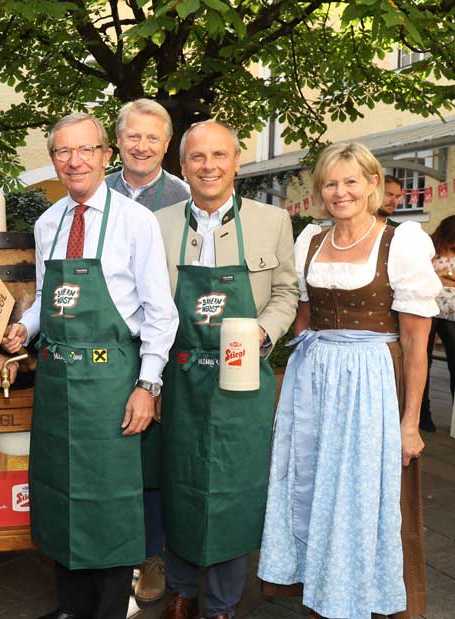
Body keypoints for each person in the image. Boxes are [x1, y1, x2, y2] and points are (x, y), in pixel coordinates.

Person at [1, 112, 179, 619]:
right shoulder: (47, 222)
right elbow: (45, 300)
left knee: (111, 501)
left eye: (85, 150)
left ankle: (109, 608)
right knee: (60, 495)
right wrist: (25, 328)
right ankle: (71, 607)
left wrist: (147, 384)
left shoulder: (135, 221)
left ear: (106, 155)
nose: (74, 161)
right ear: (53, 160)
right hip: (57, 381)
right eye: (62, 152)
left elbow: (160, 314)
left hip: (111, 380)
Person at [258, 142, 438, 619]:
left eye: (351, 181)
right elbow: (302, 322)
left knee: (362, 490)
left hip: (373, 380)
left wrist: (410, 422)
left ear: (373, 184)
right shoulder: (311, 240)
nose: (341, 192)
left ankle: (360, 595)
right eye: (331, 183)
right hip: (314, 378)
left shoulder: (402, 242)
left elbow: (417, 344)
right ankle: (322, 589)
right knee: (314, 483)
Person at [154, 120, 298, 619]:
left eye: (220, 155)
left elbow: (285, 293)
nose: (209, 166)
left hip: (243, 377)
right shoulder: (160, 224)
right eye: (197, 157)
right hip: (180, 376)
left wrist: (263, 332)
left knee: (234, 487)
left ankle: (220, 602)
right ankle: (181, 589)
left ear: (238, 161)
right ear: (183, 165)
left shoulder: (271, 221)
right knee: (179, 478)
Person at [104, 98, 190, 606]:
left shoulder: (182, 196)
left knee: (155, 457)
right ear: (118, 142)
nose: (142, 146)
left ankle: (154, 553)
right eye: (133, 136)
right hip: (110, 343)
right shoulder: (99, 187)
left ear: (166, 144)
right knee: (114, 450)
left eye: (152, 138)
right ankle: (118, 550)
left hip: (166, 341)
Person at [419, 215, 455, 432]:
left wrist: (444, 274)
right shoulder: (431, 250)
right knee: (423, 362)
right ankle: (424, 415)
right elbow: (424, 277)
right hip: (427, 311)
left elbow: (438, 277)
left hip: (452, 315)